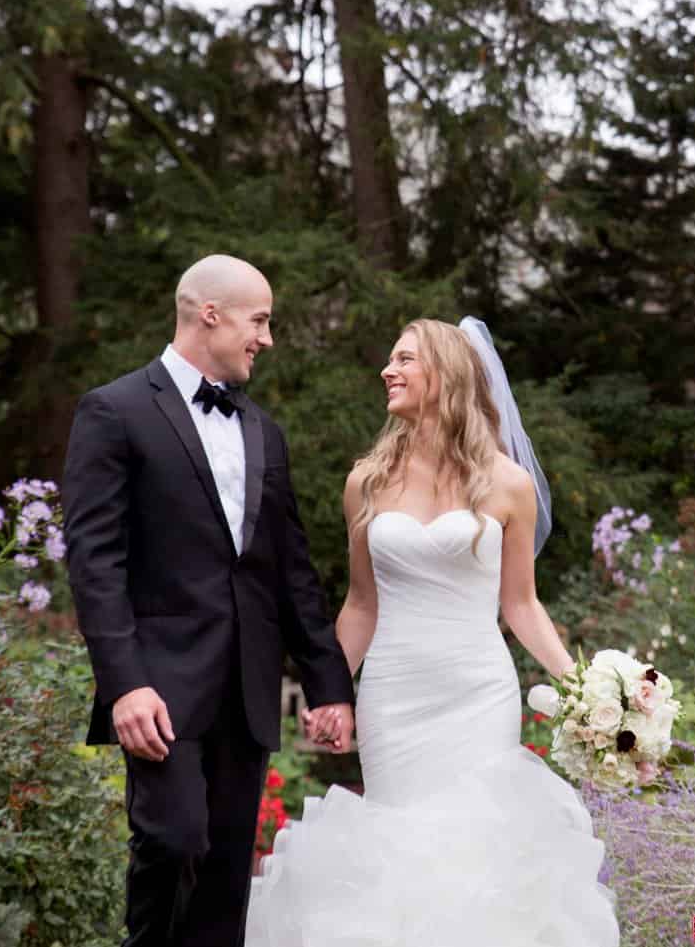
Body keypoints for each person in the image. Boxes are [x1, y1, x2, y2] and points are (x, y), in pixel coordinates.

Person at [246, 317, 619, 947]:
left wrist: (588, 692)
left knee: (476, 843)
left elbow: (522, 606)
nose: (388, 371)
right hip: (394, 693)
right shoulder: (366, 482)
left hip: (477, 691)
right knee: (401, 839)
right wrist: (328, 689)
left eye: (405, 360)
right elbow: (361, 604)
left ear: (445, 375)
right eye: (390, 360)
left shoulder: (508, 485)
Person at [62, 254, 355, 947]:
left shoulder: (265, 432)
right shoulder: (115, 410)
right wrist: (124, 684)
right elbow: (95, 562)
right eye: (260, 320)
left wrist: (329, 683)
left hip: (246, 688)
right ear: (210, 314)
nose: (268, 338)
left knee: (226, 875)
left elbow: (292, 574)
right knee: (173, 837)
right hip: (160, 685)